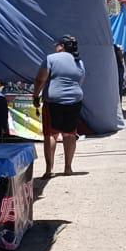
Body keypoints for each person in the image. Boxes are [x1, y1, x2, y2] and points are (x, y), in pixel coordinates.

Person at [33, 36, 85, 178]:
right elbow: (80, 80)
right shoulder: (79, 62)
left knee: (51, 134)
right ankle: (68, 168)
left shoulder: (51, 59)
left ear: (61, 46)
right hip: (74, 101)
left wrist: (36, 95)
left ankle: (49, 170)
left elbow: (40, 79)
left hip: (53, 102)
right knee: (70, 134)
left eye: (57, 45)